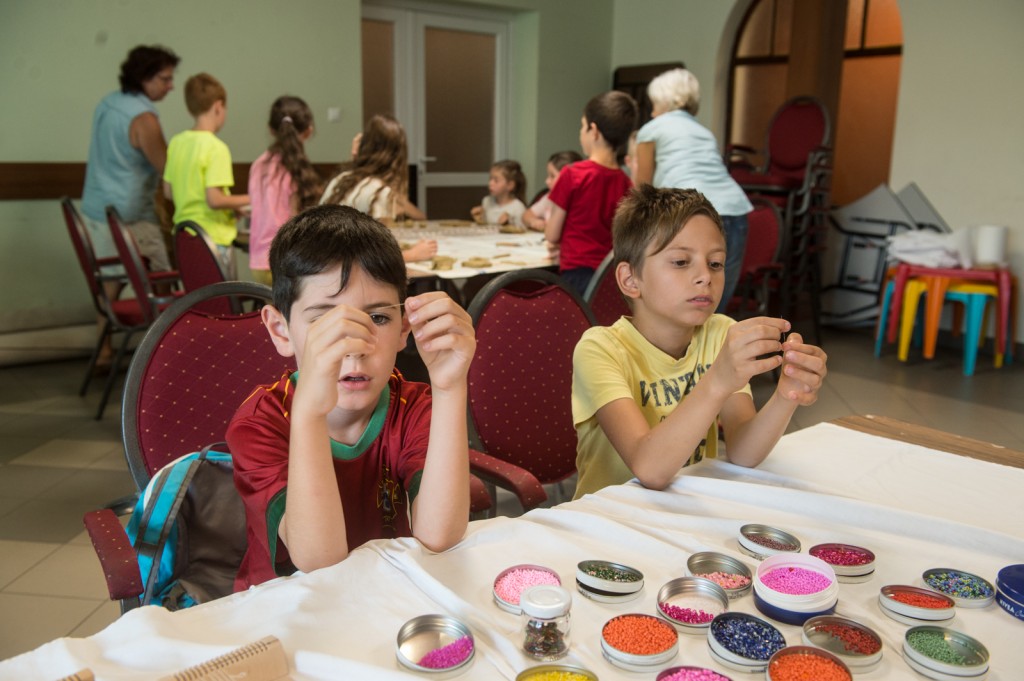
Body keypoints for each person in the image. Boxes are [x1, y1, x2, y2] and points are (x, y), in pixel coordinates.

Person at [225, 204, 476, 590]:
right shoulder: (261, 422)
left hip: (382, 594)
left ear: (404, 328)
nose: (354, 346)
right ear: (280, 329)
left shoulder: (413, 407)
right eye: (325, 321)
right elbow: (319, 561)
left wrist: (449, 388)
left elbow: (439, 537)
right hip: (285, 606)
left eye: (378, 318)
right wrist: (310, 412)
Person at [571, 186, 827, 499]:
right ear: (630, 279)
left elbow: (743, 452)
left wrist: (787, 395)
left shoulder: (721, 333)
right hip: (610, 516)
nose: (705, 276)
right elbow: (649, 469)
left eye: (716, 263)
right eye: (681, 261)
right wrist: (718, 380)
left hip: (684, 509)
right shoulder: (600, 349)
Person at [81, 44, 180, 369]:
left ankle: (104, 351)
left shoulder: (108, 103)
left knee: (110, 283)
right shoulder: (143, 118)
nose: (171, 86)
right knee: (163, 282)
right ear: (144, 78)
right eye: (165, 79)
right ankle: (168, 356)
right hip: (131, 215)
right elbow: (166, 167)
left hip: (98, 208)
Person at [632, 68, 753, 314]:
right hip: (735, 209)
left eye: (654, 104)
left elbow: (642, 189)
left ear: (665, 101)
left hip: (693, 213)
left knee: (685, 297)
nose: (653, 112)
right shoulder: (704, 132)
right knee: (715, 301)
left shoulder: (651, 129)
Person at [545, 91, 638, 295]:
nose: (581, 132)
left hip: (576, 275)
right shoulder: (627, 183)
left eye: (582, 126)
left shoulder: (572, 174)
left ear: (593, 131)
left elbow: (552, 234)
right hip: (610, 278)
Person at [321, 115, 435, 263]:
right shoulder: (380, 192)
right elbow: (378, 257)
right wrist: (414, 254)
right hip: (347, 270)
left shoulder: (341, 179)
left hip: (323, 264)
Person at [163, 72, 249, 267]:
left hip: (184, 237)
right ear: (218, 106)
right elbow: (214, 200)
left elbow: (169, 192)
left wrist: (230, 207)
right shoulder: (216, 148)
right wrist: (252, 198)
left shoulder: (177, 143)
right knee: (222, 288)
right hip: (212, 239)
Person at [247, 96, 322, 286]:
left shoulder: (258, 165)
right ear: (308, 131)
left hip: (258, 264)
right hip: (286, 263)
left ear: (271, 129)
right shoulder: (297, 169)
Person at [522, 151, 583, 232]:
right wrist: (533, 221)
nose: (547, 181)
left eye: (552, 176)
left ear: (569, 177)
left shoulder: (581, 204)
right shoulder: (549, 198)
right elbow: (526, 215)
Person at [471, 160, 527, 226]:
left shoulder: (518, 207)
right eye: (490, 179)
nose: (490, 183)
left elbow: (522, 230)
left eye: (496, 180)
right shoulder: (487, 201)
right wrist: (479, 218)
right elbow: (485, 227)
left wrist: (508, 224)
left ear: (510, 185)